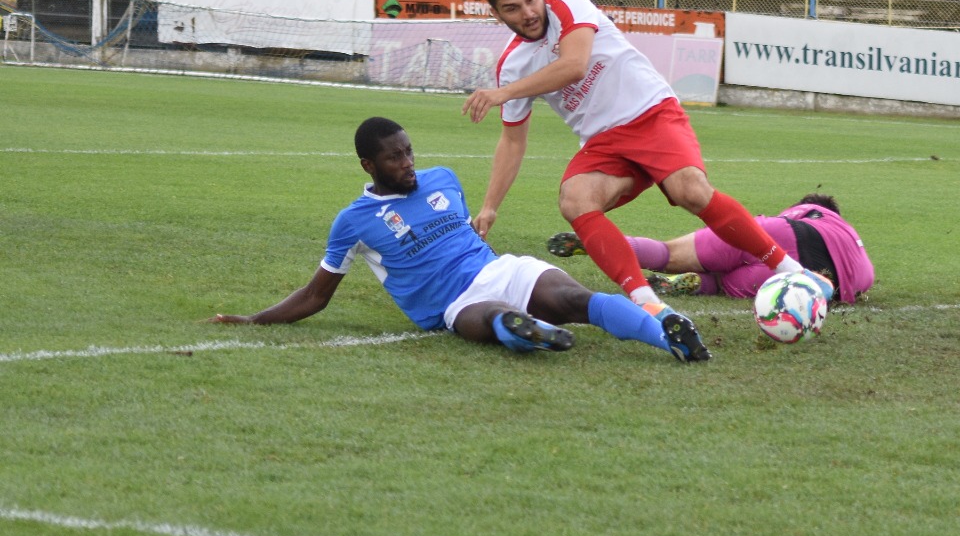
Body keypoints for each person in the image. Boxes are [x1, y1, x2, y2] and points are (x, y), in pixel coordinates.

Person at [462, 0, 833, 322]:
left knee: (691, 190)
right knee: (576, 200)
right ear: (497, 15)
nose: (527, 12)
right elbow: (512, 142)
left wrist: (504, 93)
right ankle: (649, 303)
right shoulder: (513, 64)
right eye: (512, 8)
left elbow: (575, 64)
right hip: (603, 142)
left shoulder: (568, 3)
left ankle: (794, 272)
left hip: (650, 112)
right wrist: (491, 206)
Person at [209, 117, 711, 363]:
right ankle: (527, 330)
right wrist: (256, 319)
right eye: (393, 158)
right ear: (368, 166)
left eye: (408, 152)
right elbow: (317, 295)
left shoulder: (444, 178)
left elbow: (466, 234)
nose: (407, 163)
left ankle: (669, 336)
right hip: (453, 302)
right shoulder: (354, 222)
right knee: (485, 319)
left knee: (575, 297)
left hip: (500, 268)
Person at [548, 192, 875, 303]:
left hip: (779, 235)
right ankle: (698, 285)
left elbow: (782, 225)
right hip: (813, 285)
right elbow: (859, 289)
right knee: (723, 282)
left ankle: (598, 244)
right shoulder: (866, 270)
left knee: (669, 254)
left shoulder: (814, 212)